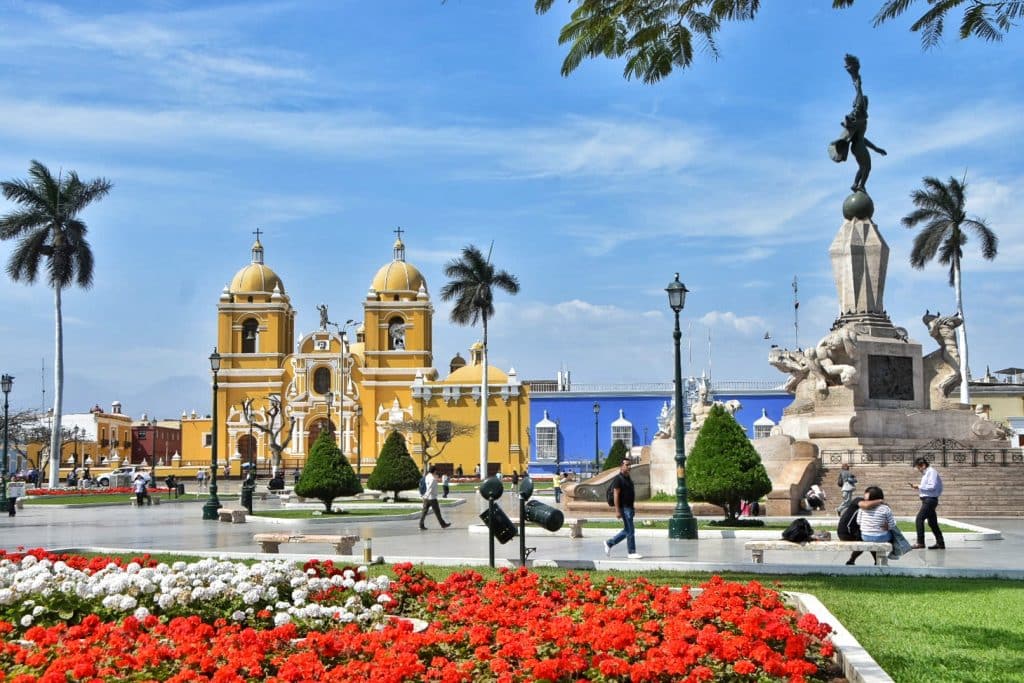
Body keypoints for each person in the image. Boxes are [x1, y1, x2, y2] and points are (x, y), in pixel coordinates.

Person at [604, 460, 641, 559]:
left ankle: (609, 543)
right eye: (627, 465)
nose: (629, 467)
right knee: (630, 531)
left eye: (630, 465)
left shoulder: (628, 478)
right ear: (621, 466)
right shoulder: (618, 479)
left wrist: (632, 508)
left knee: (627, 530)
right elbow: (616, 495)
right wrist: (617, 510)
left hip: (629, 507)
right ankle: (631, 552)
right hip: (624, 508)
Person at [910, 457, 945, 549]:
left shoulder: (931, 472)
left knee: (919, 519)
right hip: (928, 500)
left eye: (918, 467)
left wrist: (919, 486)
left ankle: (920, 542)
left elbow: (932, 486)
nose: (918, 470)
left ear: (923, 465)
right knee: (932, 523)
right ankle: (940, 543)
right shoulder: (927, 473)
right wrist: (919, 487)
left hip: (930, 500)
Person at [838, 494, 879, 565]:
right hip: (846, 532)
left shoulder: (870, 508)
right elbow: (865, 505)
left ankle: (851, 561)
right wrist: (880, 501)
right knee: (868, 540)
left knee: (868, 538)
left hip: (853, 532)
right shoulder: (858, 500)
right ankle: (877, 561)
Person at [856, 486, 895, 550]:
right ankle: (895, 551)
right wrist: (888, 527)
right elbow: (892, 525)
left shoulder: (862, 508)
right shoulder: (885, 508)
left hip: (865, 537)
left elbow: (858, 522)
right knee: (894, 533)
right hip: (882, 537)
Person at [418, 466, 451, 530]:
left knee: (424, 512)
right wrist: (426, 496)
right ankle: (443, 524)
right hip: (432, 498)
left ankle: (421, 525)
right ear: (434, 471)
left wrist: (424, 496)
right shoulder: (432, 479)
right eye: (436, 471)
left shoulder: (427, 476)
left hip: (427, 498)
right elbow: (430, 488)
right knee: (437, 512)